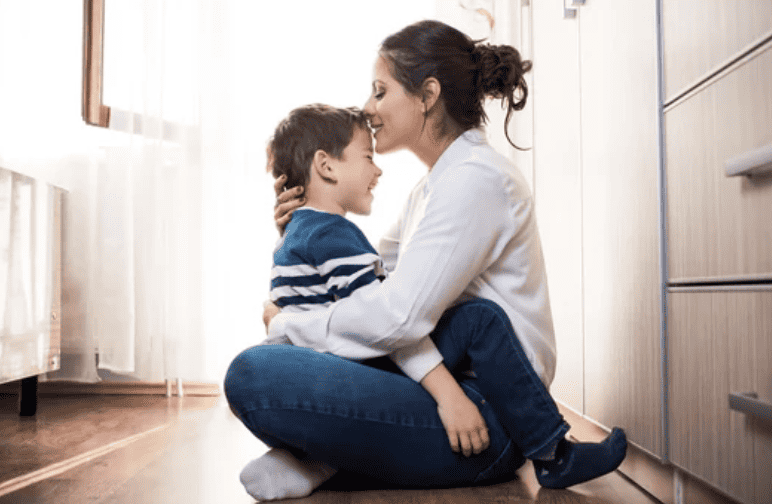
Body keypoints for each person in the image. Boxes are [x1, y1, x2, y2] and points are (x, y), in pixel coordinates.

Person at [225, 19, 628, 500]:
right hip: (447, 391)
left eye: (380, 91)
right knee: (269, 367)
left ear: (427, 94)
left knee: (254, 375)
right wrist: (300, 231)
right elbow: (373, 287)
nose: (369, 109)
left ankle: (546, 450)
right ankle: (322, 463)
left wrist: (292, 322)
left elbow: (396, 315)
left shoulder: (473, 181)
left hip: (488, 413)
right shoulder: (431, 190)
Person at [242, 103, 492, 500]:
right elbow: (383, 318)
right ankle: (321, 460)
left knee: (477, 320)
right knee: (481, 320)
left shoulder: (464, 185)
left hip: (346, 366)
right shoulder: (329, 236)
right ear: (326, 166)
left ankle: (318, 460)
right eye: (367, 157)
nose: (377, 169)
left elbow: (383, 310)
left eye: (381, 92)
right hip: (352, 365)